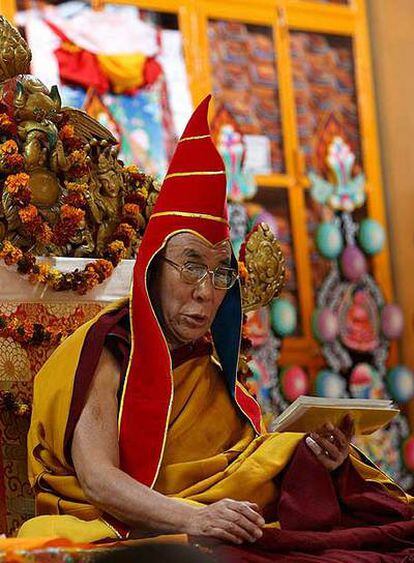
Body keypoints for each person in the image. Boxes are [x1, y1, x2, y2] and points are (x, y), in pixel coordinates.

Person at [19, 97, 414, 560]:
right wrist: (193, 517)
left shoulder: (206, 364)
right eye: (190, 267)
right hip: (124, 528)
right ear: (153, 268)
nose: (206, 292)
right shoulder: (107, 349)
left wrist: (313, 458)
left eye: (220, 272)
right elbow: (98, 480)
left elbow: (243, 466)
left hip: (221, 524)